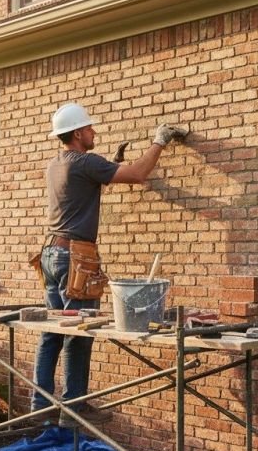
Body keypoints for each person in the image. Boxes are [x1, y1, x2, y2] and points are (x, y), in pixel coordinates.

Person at [31, 101, 186, 428]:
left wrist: (109, 166)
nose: (94, 132)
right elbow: (138, 174)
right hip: (75, 260)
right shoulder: (86, 162)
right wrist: (159, 141)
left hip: (50, 255)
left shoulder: (56, 164)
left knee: (52, 332)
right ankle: (74, 407)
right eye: (89, 128)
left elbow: (82, 187)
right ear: (77, 133)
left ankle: (39, 407)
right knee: (80, 332)